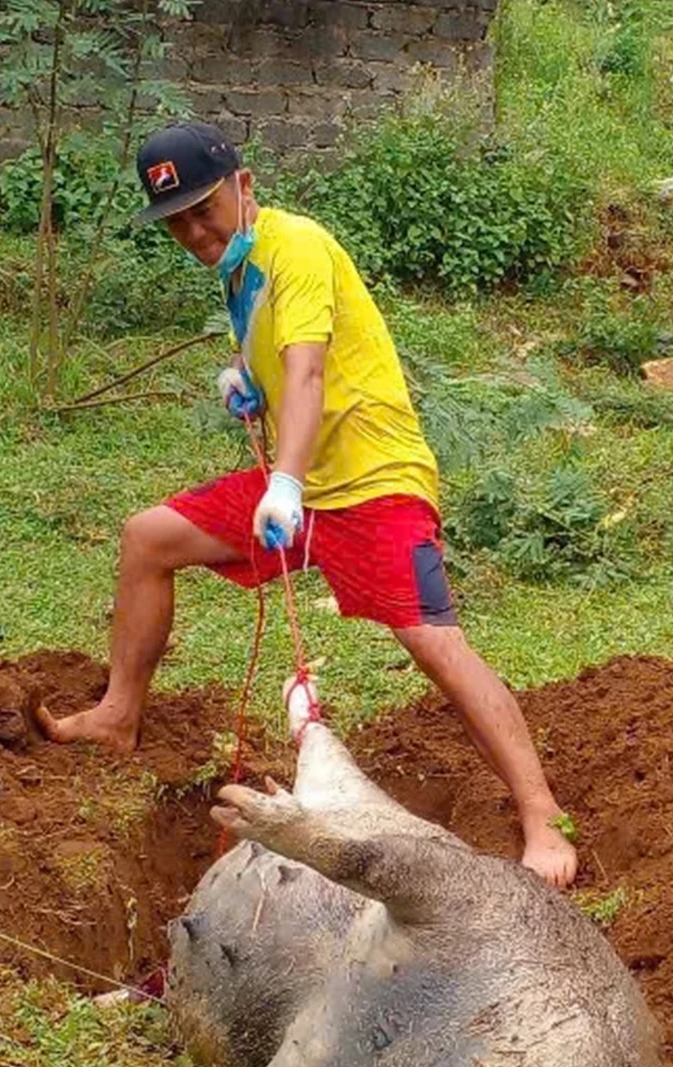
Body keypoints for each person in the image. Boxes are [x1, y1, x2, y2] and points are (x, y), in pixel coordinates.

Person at [38, 122, 579, 888]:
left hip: (372, 482)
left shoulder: (296, 247)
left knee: (432, 641)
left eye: (204, 210)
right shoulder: (240, 268)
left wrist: (285, 481)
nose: (195, 233)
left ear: (244, 186)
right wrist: (246, 383)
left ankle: (540, 813)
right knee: (148, 538)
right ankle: (117, 714)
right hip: (301, 484)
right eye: (176, 222)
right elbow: (280, 369)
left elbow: (310, 374)